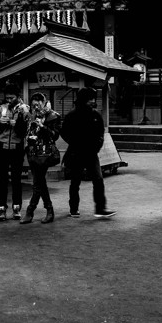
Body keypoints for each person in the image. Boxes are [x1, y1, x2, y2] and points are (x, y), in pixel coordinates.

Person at [63, 87, 116, 218]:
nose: (93, 101)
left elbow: (100, 133)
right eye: (90, 99)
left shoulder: (95, 115)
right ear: (84, 100)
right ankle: (74, 208)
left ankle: (100, 208)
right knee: (76, 181)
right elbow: (64, 132)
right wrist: (75, 143)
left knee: (98, 180)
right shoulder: (72, 115)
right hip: (77, 152)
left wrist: (97, 145)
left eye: (94, 98)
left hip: (91, 153)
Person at [21, 93, 62, 224]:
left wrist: (42, 126)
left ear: (43, 103)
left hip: (44, 153)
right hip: (32, 153)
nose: (35, 108)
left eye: (38, 105)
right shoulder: (30, 116)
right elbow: (24, 132)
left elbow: (55, 136)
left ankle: (30, 211)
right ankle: (49, 210)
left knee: (37, 183)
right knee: (40, 182)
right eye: (33, 105)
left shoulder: (53, 116)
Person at [0, 85, 30, 221]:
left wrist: (17, 125)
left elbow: (28, 130)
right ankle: (1, 209)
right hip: (2, 147)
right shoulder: (1, 109)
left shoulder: (24, 109)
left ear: (18, 97)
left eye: (11, 98)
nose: (9, 100)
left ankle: (17, 208)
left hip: (17, 148)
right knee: (2, 180)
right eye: (7, 98)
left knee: (16, 179)